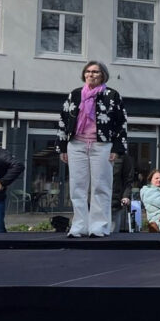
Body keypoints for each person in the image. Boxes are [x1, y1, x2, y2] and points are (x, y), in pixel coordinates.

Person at [57, 61, 129, 238]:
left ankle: (99, 226)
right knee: (77, 187)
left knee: (101, 186)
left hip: (102, 145)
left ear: (103, 75)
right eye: (88, 71)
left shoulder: (112, 95)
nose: (91, 74)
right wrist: (62, 147)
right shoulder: (74, 95)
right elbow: (63, 120)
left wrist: (118, 148)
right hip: (77, 144)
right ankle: (79, 226)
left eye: (95, 72)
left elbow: (121, 122)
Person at [110, 151, 136, 233]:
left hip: (114, 202)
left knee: (112, 235)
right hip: (94, 203)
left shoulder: (123, 157)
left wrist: (125, 196)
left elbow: (128, 180)